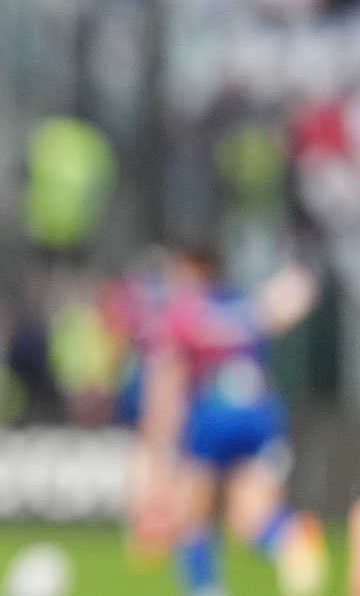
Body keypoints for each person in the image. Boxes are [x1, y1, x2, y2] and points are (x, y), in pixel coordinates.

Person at [137, 243, 326, 596]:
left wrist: (157, 457)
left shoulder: (182, 313)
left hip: (212, 415)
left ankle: (207, 590)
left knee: (193, 514)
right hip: (261, 412)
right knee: (250, 518)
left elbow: (166, 386)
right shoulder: (246, 306)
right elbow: (292, 299)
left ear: (193, 270)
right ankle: (288, 535)